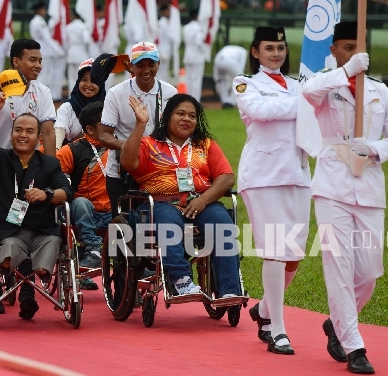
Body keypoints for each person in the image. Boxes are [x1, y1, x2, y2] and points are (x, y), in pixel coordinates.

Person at [301, 21, 388, 374]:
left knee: (367, 273)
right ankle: (354, 347)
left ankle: (336, 322)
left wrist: (376, 148)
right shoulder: (325, 86)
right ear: (334, 50)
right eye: (345, 46)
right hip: (332, 185)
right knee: (339, 267)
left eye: (356, 46)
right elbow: (306, 93)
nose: (351, 52)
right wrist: (345, 72)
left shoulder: (380, 92)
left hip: (369, 186)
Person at [233, 27, 312, 355]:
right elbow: (261, 112)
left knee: (293, 256)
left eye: (280, 47)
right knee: (275, 252)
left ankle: (264, 308)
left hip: (297, 173)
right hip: (262, 176)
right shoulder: (245, 82)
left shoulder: (298, 86)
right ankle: (277, 329)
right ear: (256, 52)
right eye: (269, 48)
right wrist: (305, 104)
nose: (276, 53)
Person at [120, 93, 242, 298]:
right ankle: (181, 280)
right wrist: (141, 124)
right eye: (181, 114)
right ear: (167, 117)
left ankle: (230, 291)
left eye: (192, 116)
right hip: (160, 203)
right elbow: (127, 163)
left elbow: (227, 177)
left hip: (200, 202)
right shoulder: (149, 144)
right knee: (168, 220)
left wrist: (203, 200)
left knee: (222, 222)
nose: (187, 119)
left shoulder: (205, 145)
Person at [0, 92, 72, 320]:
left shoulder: (49, 164)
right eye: (18, 130)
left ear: (38, 138)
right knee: (7, 253)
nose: (23, 135)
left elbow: (65, 192)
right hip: (9, 231)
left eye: (29, 131)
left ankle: (38, 277)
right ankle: (11, 275)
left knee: (53, 243)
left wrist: (46, 194)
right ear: (11, 134)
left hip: (42, 231)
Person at [99, 43, 177, 216]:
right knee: (124, 224)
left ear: (158, 65)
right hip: (121, 172)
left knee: (159, 219)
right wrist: (127, 146)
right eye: (140, 65)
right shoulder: (116, 93)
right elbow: (103, 135)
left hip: (159, 169)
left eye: (151, 65)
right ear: (131, 67)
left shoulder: (171, 93)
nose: (146, 70)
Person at [0, 39, 57, 157]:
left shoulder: (44, 92)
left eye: (40, 61)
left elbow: (48, 133)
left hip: (29, 165)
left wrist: (52, 170)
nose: (38, 66)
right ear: (16, 61)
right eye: (33, 60)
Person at [56, 101, 111, 272]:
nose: (112, 126)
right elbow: (51, 174)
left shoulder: (120, 147)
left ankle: (138, 262)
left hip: (113, 214)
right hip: (86, 214)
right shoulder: (71, 150)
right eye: (106, 123)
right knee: (80, 203)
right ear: (90, 129)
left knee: (135, 210)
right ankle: (93, 250)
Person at [54, 58, 105, 148]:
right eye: (84, 79)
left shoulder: (109, 107)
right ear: (78, 82)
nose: (88, 84)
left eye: (93, 80)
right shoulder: (67, 108)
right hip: (73, 158)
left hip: (104, 159)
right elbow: (59, 132)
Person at [29, 2, 65, 101]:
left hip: (38, 49)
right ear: (39, 10)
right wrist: (58, 51)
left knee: (39, 73)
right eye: (43, 9)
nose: (44, 11)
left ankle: (37, 95)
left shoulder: (33, 21)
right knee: (42, 74)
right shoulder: (40, 22)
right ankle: (39, 97)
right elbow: (47, 39)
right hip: (43, 50)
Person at [65, 12, 93, 94]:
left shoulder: (68, 27)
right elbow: (86, 40)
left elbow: (66, 41)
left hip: (71, 52)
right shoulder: (84, 27)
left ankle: (72, 94)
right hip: (81, 52)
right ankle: (80, 95)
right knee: (82, 76)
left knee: (71, 77)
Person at [182, 10, 205, 101]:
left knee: (189, 79)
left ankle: (189, 99)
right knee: (196, 80)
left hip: (188, 54)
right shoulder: (198, 28)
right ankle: (195, 100)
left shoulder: (186, 27)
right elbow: (199, 42)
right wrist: (205, 50)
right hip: (197, 55)